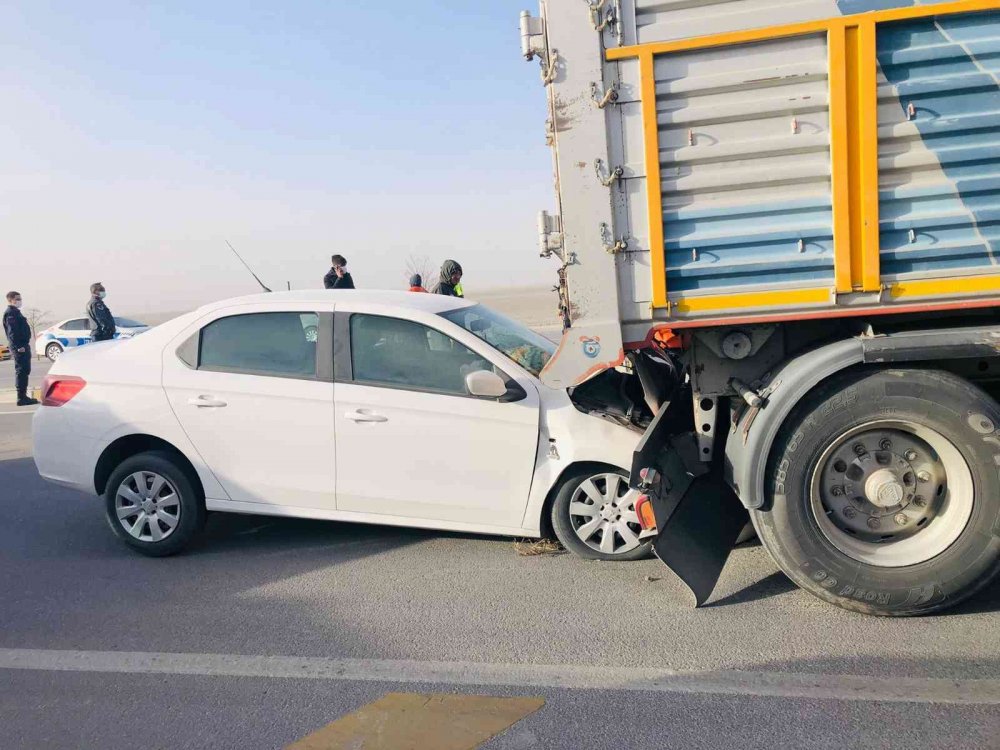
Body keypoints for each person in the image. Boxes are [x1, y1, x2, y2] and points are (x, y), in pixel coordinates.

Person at [3, 291, 38, 406]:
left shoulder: (16, 312)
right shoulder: (11, 314)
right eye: (18, 299)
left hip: (23, 345)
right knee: (21, 371)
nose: (20, 301)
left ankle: (23, 396)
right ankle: (21, 397)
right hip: (20, 347)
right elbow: (12, 333)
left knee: (25, 371)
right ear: (11, 300)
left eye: (20, 298)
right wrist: (18, 347)